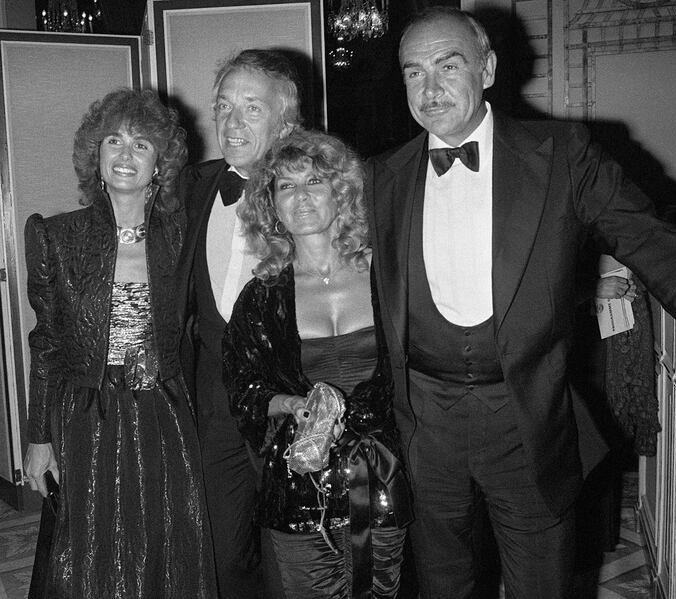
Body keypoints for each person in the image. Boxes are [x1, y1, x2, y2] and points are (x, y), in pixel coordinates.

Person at [365, 7, 676, 599]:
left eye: (449, 64)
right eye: (414, 72)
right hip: (423, 423)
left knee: (540, 584)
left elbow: (658, 247)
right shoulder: (380, 177)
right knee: (441, 584)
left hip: (526, 417)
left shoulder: (562, 153)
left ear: (488, 68)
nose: (431, 87)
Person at [22, 88, 216, 598]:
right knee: (91, 549)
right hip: (89, 416)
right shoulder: (55, 236)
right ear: (96, 155)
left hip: (167, 414)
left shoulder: (185, 236)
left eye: (142, 145)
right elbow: (45, 345)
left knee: (166, 542)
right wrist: (38, 436)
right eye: (114, 141)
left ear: (161, 163)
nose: (125, 155)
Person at [222, 128, 412, 599]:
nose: (301, 197)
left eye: (314, 182)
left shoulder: (388, 274)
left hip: (383, 472)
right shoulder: (260, 296)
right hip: (300, 479)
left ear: (341, 193)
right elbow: (241, 387)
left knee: (382, 590)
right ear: (271, 204)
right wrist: (288, 402)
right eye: (286, 186)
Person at [176, 48, 302, 599]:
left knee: (292, 551)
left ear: (285, 123)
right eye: (224, 106)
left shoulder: (316, 195)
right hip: (213, 402)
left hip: (288, 399)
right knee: (224, 553)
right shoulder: (192, 186)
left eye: (252, 108)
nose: (232, 122)